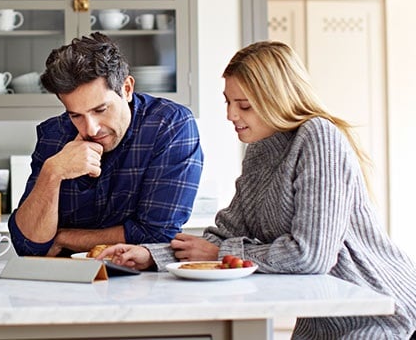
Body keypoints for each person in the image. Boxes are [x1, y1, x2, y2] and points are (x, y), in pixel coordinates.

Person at [98, 41, 416, 339]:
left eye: (244, 106)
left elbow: (311, 256)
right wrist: (151, 255)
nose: (230, 115)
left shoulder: (318, 136)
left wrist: (222, 254)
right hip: (322, 315)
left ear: (276, 99)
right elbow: (224, 235)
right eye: (228, 102)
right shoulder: (259, 150)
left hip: (379, 310)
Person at [8, 32, 203, 257]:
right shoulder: (55, 135)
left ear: (127, 89)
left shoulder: (169, 125)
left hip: (139, 283)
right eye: (75, 115)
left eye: (100, 110)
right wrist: (52, 173)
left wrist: (63, 238)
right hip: (65, 283)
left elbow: (157, 234)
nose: (90, 129)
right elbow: (28, 245)